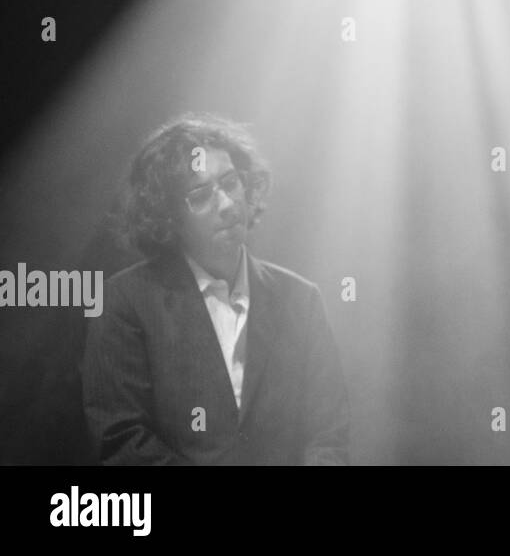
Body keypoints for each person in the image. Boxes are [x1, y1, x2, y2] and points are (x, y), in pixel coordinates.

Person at [82, 114, 349, 464]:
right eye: (201, 194)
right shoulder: (124, 301)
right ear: (168, 214)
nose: (226, 204)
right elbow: (121, 438)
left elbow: (328, 435)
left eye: (230, 182)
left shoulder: (301, 298)